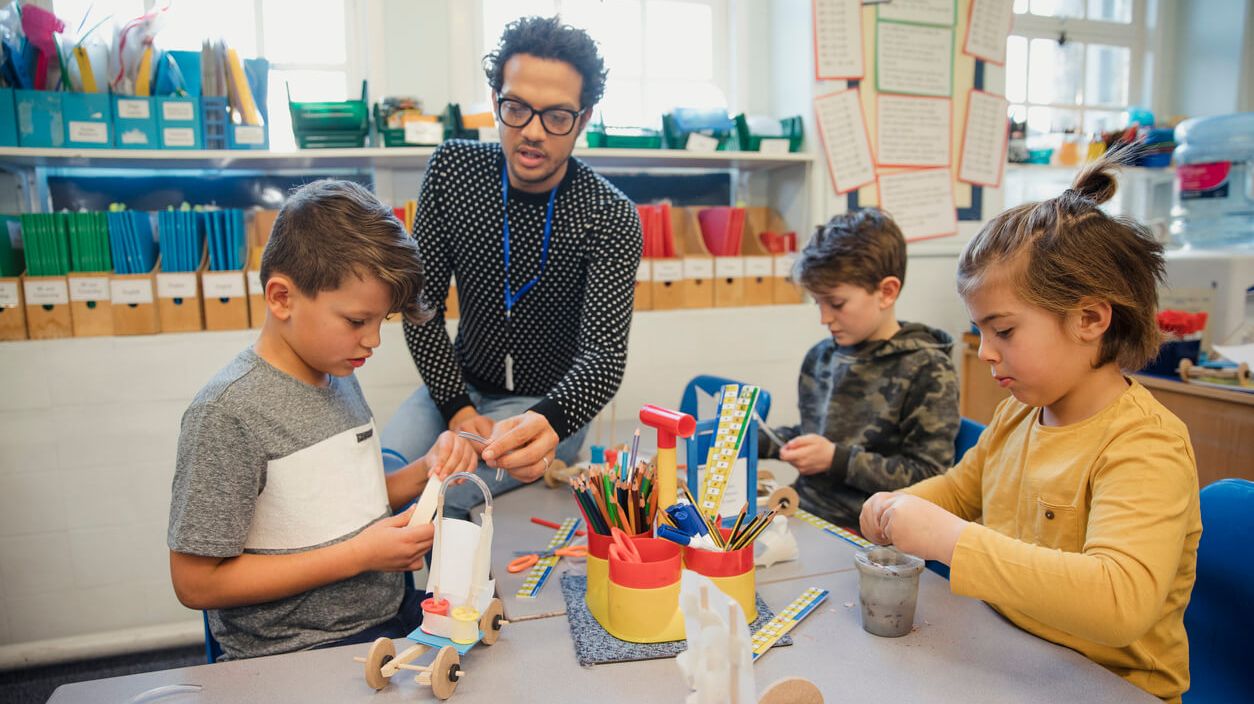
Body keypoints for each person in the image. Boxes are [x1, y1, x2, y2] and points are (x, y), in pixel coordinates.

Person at [860, 154, 1201, 703]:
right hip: (1008, 657)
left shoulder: (1145, 443)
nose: (987, 353)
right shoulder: (1020, 410)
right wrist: (897, 505)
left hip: (1110, 687)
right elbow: (961, 490)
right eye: (980, 331)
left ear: (1090, 319)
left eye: (1005, 331)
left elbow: (1119, 601)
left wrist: (953, 540)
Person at [167, 180, 479, 660]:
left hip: (386, 618)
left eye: (382, 321)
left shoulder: (336, 373)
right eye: (357, 321)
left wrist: (425, 470)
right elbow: (195, 583)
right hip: (300, 651)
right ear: (282, 298)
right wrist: (359, 556)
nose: (372, 340)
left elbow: (350, 504)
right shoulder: (227, 414)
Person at [383, 16, 642, 520]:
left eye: (557, 117)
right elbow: (422, 308)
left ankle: (454, 601)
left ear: (584, 118)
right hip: (459, 384)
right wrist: (458, 406)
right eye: (516, 108)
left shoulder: (609, 215)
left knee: (444, 497)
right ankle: (409, 602)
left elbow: (603, 355)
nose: (532, 132)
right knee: (386, 476)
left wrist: (545, 421)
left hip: (546, 402)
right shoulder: (454, 172)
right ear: (495, 97)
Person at [759, 208, 958, 527]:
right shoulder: (821, 357)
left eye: (836, 304)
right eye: (818, 303)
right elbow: (817, 437)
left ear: (887, 292)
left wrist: (835, 460)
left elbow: (928, 479)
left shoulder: (926, 367)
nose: (824, 318)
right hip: (803, 509)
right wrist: (752, 439)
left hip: (867, 529)